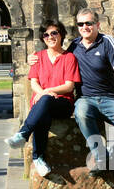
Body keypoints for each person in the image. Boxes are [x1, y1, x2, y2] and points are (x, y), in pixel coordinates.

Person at [69, 8, 114, 173]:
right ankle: (100, 156)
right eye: (81, 24)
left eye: (89, 23)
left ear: (97, 24)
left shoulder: (107, 41)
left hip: (109, 99)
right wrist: (34, 61)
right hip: (85, 99)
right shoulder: (73, 45)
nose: (85, 27)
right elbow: (57, 60)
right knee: (80, 112)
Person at [5, 21, 80, 177]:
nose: (50, 37)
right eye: (46, 34)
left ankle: (23, 135)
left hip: (62, 103)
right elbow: (34, 82)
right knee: (42, 111)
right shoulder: (37, 57)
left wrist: (47, 91)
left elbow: (69, 86)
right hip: (42, 101)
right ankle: (38, 159)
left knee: (44, 102)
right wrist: (43, 93)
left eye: (54, 33)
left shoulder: (69, 58)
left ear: (61, 35)